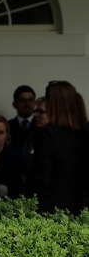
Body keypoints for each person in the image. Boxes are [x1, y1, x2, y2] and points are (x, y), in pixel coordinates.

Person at [31, 80, 89, 215]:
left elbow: (42, 179)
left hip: (50, 210)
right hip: (78, 207)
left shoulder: (47, 135)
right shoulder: (84, 135)